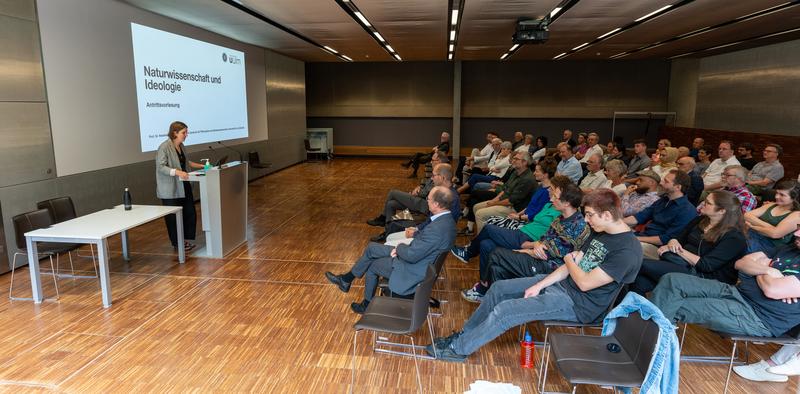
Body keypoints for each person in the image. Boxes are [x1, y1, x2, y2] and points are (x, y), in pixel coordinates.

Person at [426, 189, 642, 362]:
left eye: (590, 215)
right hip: (563, 286)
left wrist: (568, 259)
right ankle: (465, 334)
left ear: (606, 215)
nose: (586, 220)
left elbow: (584, 283)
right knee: (499, 289)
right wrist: (540, 284)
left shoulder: (628, 251)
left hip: (579, 304)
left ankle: (459, 349)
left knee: (505, 310)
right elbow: (570, 267)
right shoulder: (600, 233)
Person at [650, 226, 800, 340]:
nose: (796, 233)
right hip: (737, 292)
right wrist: (768, 271)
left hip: (757, 317)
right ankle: (649, 342)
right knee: (672, 279)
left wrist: (763, 268)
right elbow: (741, 263)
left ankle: (648, 348)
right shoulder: (790, 249)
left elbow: (771, 290)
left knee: (673, 304)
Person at [324, 186, 456, 314]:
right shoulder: (446, 221)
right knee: (371, 249)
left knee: (372, 264)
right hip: (419, 260)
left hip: (413, 268)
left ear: (437, 204)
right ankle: (347, 281)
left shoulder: (437, 229)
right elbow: (421, 246)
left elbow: (411, 255)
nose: (426, 200)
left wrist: (399, 248)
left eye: (429, 199)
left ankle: (361, 298)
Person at [451, 177, 583, 300]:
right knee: (487, 247)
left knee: (496, 251)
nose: (551, 199)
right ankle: (490, 297)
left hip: (547, 267)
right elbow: (541, 242)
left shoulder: (575, 224)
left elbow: (546, 253)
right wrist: (532, 246)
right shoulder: (560, 218)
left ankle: (483, 286)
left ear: (566, 203)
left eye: (555, 196)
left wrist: (519, 250)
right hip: (532, 249)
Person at [629, 190, 747, 296]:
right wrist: (672, 242)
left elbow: (706, 265)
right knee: (640, 281)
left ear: (722, 211)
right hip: (681, 264)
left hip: (704, 277)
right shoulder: (701, 220)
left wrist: (678, 250)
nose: (702, 204)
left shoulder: (734, 237)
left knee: (639, 264)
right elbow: (678, 237)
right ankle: (629, 313)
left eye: (708, 203)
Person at [371, 163, 459, 243]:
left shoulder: (451, 198)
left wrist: (415, 233)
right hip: (425, 224)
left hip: (427, 235)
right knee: (391, 205)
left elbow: (438, 227)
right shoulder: (442, 192)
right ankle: (388, 231)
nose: (432, 178)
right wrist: (416, 229)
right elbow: (431, 220)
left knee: (393, 228)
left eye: (433, 175)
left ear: (442, 177)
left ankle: (388, 230)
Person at [624, 170, 697, 259]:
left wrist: (635, 238)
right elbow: (638, 218)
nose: (661, 183)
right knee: (610, 233)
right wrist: (615, 223)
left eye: (666, 181)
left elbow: (665, 239)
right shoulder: (663, 200)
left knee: (622, 244)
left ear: (677, 187)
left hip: (658, 248)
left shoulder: (687, 210)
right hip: (643, 237)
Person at [156, 121, 203, 251]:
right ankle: (177, 243)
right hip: (170, 189)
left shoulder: (181, 146)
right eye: (184, 132)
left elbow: (186, 163)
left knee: (189, 212)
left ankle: (185, 240)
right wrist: (177, 172)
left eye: (186, 132)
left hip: (184, 185)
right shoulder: (164, 147)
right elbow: (160, 167)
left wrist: (203, 166)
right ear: (174, 133)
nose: (186, 135)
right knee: (172, 217)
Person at [465, 151, 536, 234]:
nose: (513, 160)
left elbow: (511, 201)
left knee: (480, 214)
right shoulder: (515, 172)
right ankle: (485, 234)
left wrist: (494, 203)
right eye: (513, 158)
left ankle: (481, 240)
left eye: (516, 159)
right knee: (476, 207)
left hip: (515, 209)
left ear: (524, 162)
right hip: (506, 203)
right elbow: (505, 189)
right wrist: (494, 201)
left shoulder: (527, 179)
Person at [483, 158, 556, 230]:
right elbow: (529, 206)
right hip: (523, 217)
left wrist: (518, 217)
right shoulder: (540, 186)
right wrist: (517, 214)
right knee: (492, 220)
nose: (534, 173)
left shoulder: (548, 192)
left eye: (537, 171)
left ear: (545, 175)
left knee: (492, 222)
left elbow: (536, 214)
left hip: (529, 223)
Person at [745, 180, 800, 255]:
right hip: (752, 235)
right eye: (777, 193)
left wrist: (753, 226)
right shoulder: (772, 205)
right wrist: (769, 227)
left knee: (738, 245)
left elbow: (775, 234)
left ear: (794, 198)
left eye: (782, 195)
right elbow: (747, 215)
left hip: (770, 245)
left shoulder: (797, 215)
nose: (776, 196)